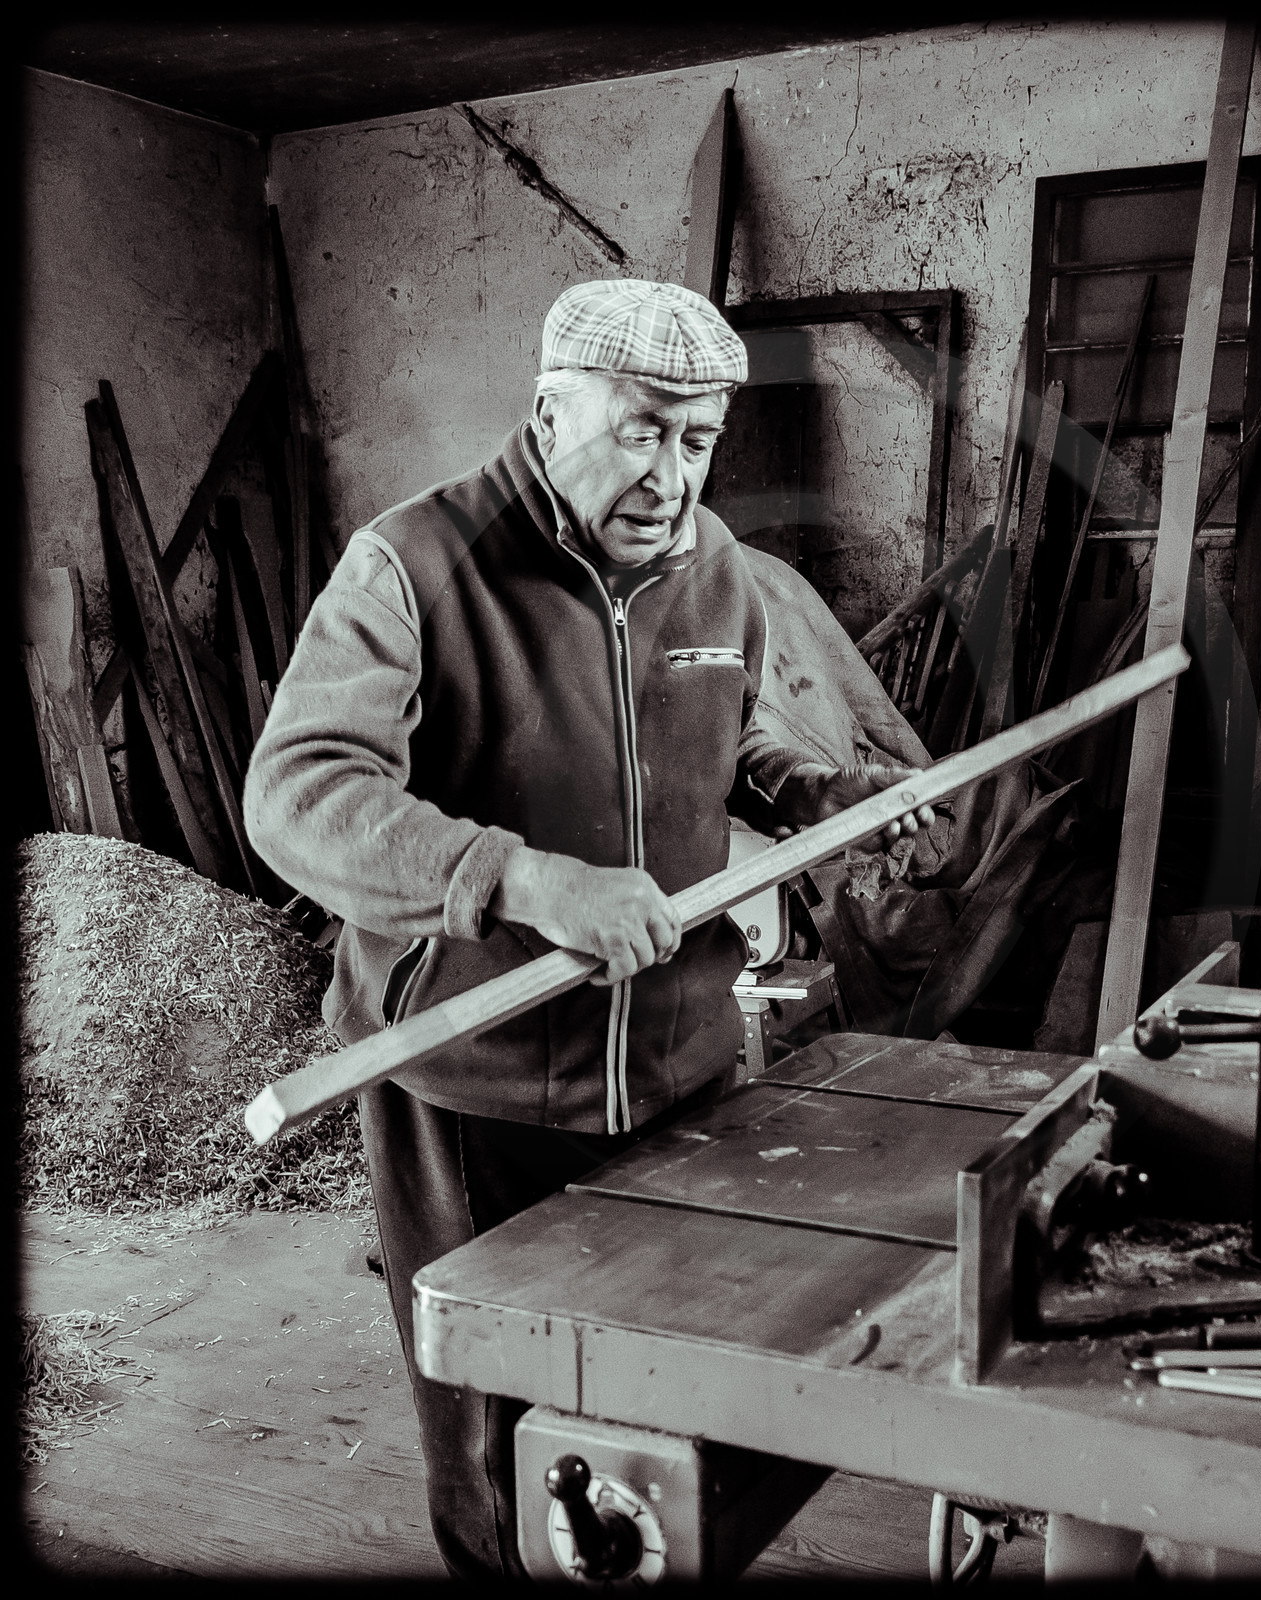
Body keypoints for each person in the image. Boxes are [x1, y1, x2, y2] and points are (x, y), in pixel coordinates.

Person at [243, 277, 934, 1577]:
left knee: (658, 1410)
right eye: (642, 429)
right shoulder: (416, 565)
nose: (673, 474)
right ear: (553, 408)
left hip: (673, 1066)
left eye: (698, 439)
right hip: (477, 1074)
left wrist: (827, 794)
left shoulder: (716, 566)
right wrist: (525, 880)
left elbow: (733, 745)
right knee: (502, 1441)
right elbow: (298, 800)